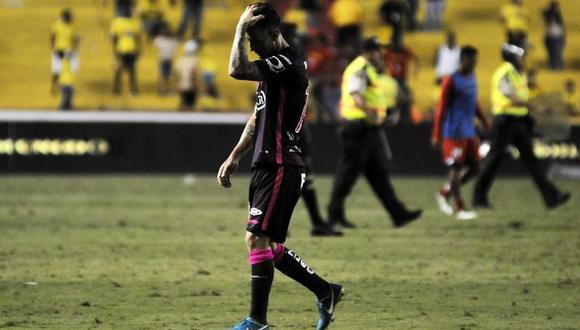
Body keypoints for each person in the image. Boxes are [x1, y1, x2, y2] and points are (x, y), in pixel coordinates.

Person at [217, 4, 343, 330]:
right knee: (267, 245)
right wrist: (234, 156)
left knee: (255, 239)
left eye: (255, 40)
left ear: (274, 34)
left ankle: (257, 321)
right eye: (248, 42)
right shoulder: (274, 70)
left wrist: (238, 28)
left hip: (282, 164)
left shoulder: (288, 64)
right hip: (265, 162)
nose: (252, 48)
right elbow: (258, 116)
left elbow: (236, 70)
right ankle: (325, 291)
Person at [327, 36, 422, 230]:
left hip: (365, 128)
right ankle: (333, 215)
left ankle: (398, 214)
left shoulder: (367, 69)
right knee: (348, 174)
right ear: (369, 52)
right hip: (357, 128)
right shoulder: (361, 69)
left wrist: (381, 116)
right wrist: (372, 115)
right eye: (379, 51)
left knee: (377, 175)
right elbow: (356, 94)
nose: (382, 55)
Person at [472, 43, 570, 209]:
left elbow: (521, 100)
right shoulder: (504, 73)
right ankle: (478, 196)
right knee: (494, 160)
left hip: (518, 121)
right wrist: (536, 107)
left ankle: (551, 197)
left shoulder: (519, 74)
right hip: (504, 121)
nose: (523, 58)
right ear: (511, 56)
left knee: (531, 160)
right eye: (520, 55)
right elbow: (511, 98)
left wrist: (528, 116)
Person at [432, 46, 490, 220]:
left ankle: (444, 193)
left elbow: (474, 102)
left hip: (469, 131)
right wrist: (437, 134)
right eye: (471, 61)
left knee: (475, 168)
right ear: (462, 60)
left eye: (476, 61)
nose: (474, 64)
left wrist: (484, 120)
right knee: (456, 170)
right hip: (454, 132)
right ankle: (459, 207)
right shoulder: (451, 80)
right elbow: (441, 108)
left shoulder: (472, 77)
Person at [110, 11, 142, 95]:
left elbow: (138, 38)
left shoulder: (134, 22)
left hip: (130, 50)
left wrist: (138, 50)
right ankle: (117, 89)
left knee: (130, 71)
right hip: (122, 49)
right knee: (120, 70)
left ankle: (132, 90)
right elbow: (113, 38)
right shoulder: (118, 22)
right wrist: (115, 51)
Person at [50, 8, 79, 96]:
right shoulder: (57, 25)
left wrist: (74, 50)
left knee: (69, 71)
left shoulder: (72, 27)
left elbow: (75, 39)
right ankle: (54, 86)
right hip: (58, 50)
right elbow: (52, 37)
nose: (69, 19)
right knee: (56, 70)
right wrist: (53, 49)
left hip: (69, 51)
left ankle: (67, 87)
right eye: (68, 18)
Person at [175, 40, 200, 110]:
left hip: (181, 86)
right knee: (190, 106)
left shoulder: (180, 60)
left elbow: (177, 74)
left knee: (184, 104)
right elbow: (195, 75)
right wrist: (197, 86)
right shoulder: (194, 60)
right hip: (191, 87)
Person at [153, 25, 177, 95]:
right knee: (163, 76)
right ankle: (161, 90)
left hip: (165, 59)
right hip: (164, 59)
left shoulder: (159, 40)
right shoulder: (171, 41)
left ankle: (165, 90)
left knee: (166, 76)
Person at [543, 0, 565, 70]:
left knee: (558, 53)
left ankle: (559, 67)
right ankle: (552, 67)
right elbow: (545, 15)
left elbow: (561, 24)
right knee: (551, 53)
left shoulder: (558, 15)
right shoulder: (549, 14)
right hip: (550, 36)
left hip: (558, 36)